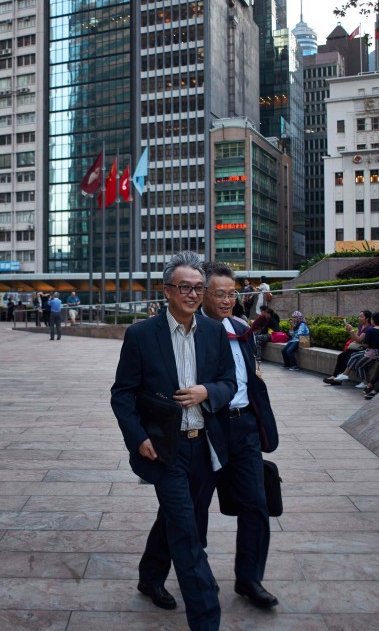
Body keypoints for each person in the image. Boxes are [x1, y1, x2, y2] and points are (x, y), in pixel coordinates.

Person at [110, 251, 236, 631]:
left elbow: (229, 383)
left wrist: (206, 392)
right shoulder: (141, 335)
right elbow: (122, 394)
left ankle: (150, 577)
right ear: (167, 291)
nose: (193, 294)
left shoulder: (215, 332)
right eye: (185, 287)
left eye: (199, 288)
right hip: (165, 449)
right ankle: (206, 619)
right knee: (187, 532)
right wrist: (138, 438)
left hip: (205, 446)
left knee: (175, 516)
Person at [198, 264, 279, 608]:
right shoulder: (191, 332)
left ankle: (250, 578)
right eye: (220, 293)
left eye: (232, 293)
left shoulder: (240, 327)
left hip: (243, 426)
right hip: (205, 429)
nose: (228, 300)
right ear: (201, 294)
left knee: (256, 505)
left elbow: (250, 376)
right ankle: (193, 573)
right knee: (193, 506)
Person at [324, 310, 373, 385]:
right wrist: (350, 331)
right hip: (356, 347)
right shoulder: (361, 326)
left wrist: (351, 330)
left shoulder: (369, 328)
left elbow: (359, 339)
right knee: (341, 356)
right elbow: (355, 338)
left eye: (361, 317)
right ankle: (335, 376)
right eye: (359, 316)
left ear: (367, 318)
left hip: (362, 349)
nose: (359, 318)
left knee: (348, 357)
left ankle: (339, 378)